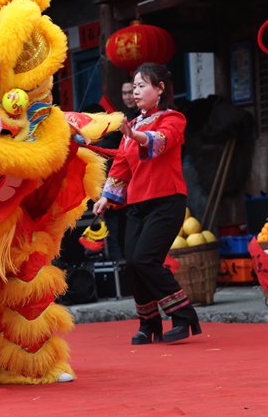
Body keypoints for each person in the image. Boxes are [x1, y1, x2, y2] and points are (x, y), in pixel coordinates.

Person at [94, 63, 199, 344]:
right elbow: (120, 166)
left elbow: (159, 142)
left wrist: (134, 136)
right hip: (137, 203)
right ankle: (148, 323)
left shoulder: (173, 118)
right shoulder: (134, 125)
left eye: (142, 86)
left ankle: (183, 315)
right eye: (135, 86)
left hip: (167, 200)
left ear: (160, 89)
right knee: (133, 264)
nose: (136, 91)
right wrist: (105, 197)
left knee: (145, 259)